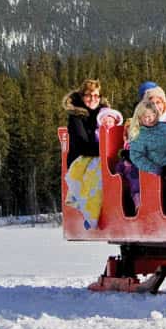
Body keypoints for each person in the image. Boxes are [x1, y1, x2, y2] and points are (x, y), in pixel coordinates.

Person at [62, 79, 109, 229]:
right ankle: (91, 214)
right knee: (97, 176)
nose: (93, 99)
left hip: (99, 155)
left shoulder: (105, 115)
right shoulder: (76, 117)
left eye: (96, 96)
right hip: (81, 159)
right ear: (82, 97)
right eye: (88, 95)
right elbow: (82, 145)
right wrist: (104, 151)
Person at [127, 98, 166, 176]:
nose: (151, 118)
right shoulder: (138, 134)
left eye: (153, 115)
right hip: (162, 166)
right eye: (147, 116)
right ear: (139, 118)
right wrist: (152, 168)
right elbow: (136, 156)